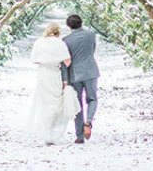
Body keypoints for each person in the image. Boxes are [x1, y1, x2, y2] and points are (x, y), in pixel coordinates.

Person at [26, 23, 78, 144]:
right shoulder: (60, 43)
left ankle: (45, 132)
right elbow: (68, 61)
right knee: (55, 102)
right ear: (58, 32)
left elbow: (35, 60)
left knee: (44, 102)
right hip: (55, 74)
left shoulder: (39, 42)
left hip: (43, 74)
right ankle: (53, 132)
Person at [61, 14, 100, 144]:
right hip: (90, 71)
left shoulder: (66, 40)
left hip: (74, 74)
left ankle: (79, 135)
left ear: (68, 26)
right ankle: (88, 122)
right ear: (81, 22)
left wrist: (65, 79)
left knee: (77, 105)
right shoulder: (91, 35)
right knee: (92, 99)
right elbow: (92, 50)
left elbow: (65, 61)